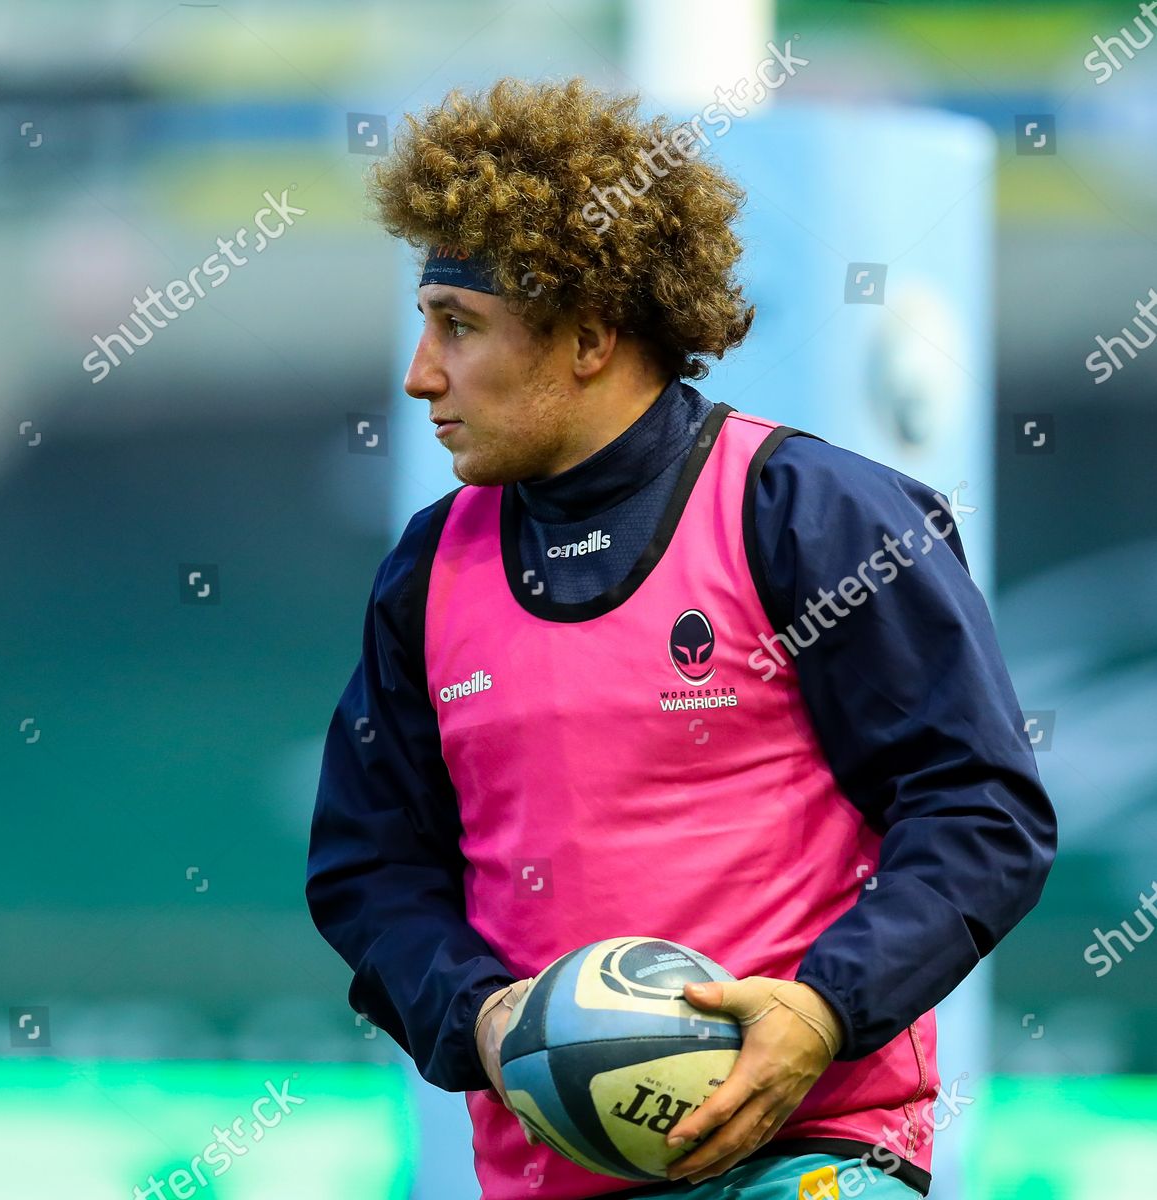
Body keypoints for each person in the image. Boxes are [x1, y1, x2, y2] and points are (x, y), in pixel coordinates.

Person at [305, 79, 1055, 1200]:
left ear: (591, 336)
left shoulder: (810, 513)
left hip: (811, 1154)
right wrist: (482, 1013)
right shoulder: (427, 570)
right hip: (547, 1175)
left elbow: (981, 810)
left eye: (458, 327)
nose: (420, 375)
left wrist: (822, 1007)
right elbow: (368, 869)